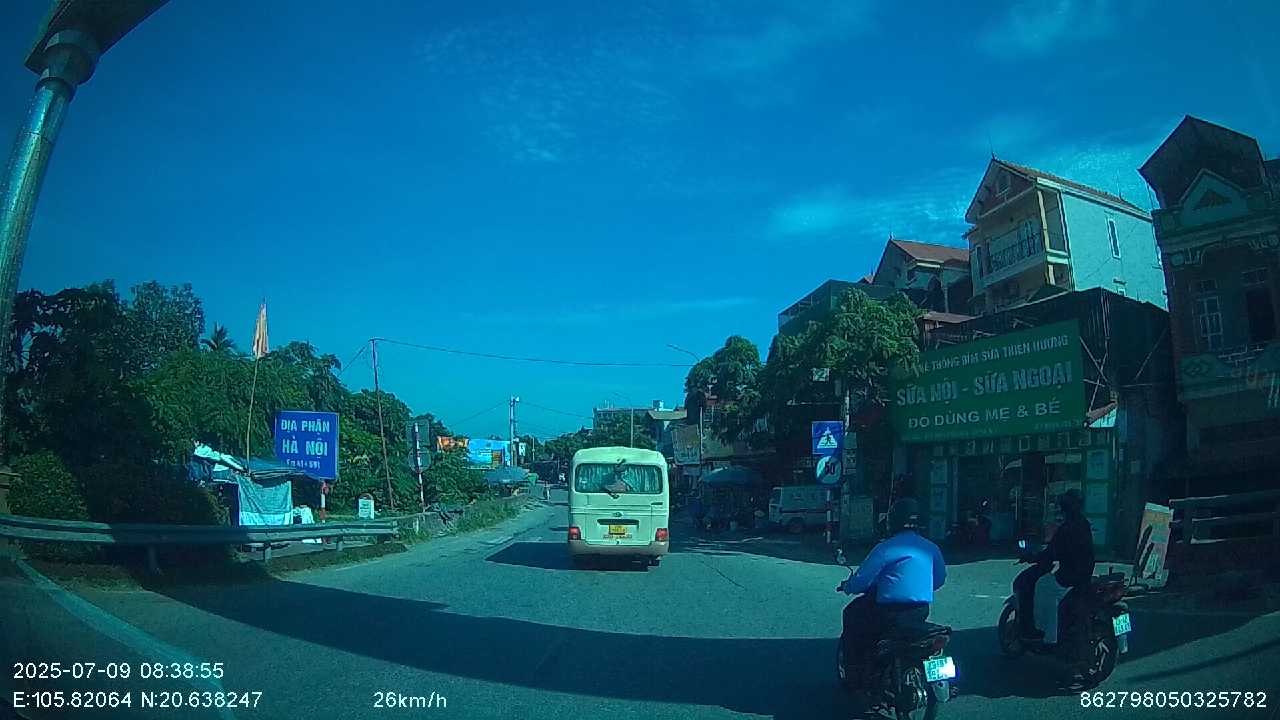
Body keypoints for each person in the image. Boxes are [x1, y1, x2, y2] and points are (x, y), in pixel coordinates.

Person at [838, 498, 947, 677]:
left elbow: (862, 580)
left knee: (852, 615)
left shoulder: (886, 548)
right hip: (920, 610)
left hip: (888, 611)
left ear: (892, 521)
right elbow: (940, 579)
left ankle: (854, 671)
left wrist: (848, 586)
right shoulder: (931, 547)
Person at [1031, 489, 1095, 659]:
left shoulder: (1067, 528)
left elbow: (1052, 552)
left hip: (1069, 577)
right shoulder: (1083, 523)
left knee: (1043, 586)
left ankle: (1049, 638)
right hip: (1084, 576)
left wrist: (1035, 557)